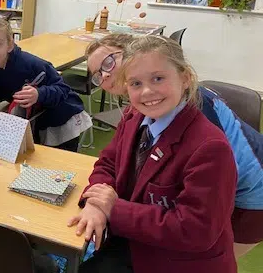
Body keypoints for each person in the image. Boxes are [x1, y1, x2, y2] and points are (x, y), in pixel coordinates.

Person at [60, 35, 240, 273]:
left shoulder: (209, 147)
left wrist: (113, 208)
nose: (147, 92)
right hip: (133, 251)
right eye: (136, 84)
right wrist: (96, 201)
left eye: (158, 78)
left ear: (185, 77)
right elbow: (107, 163)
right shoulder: (135, 117)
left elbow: (195, 230)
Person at [86, 33, 263, 258]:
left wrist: (120, 208)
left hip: (252, 193)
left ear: (129, 50)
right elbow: (114, 159)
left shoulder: (195, 115)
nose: (106, 74)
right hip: (221, 190)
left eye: (109, 61)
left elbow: (199, 218)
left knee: (211, 262)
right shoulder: (141, 110)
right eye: (98, 74)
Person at [0, 18, 89, 151]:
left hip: (62, 118)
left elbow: (63, 89)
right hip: (32, 120)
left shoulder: (29, 63)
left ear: (9, 45)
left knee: (58, 163)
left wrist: (39, 94)